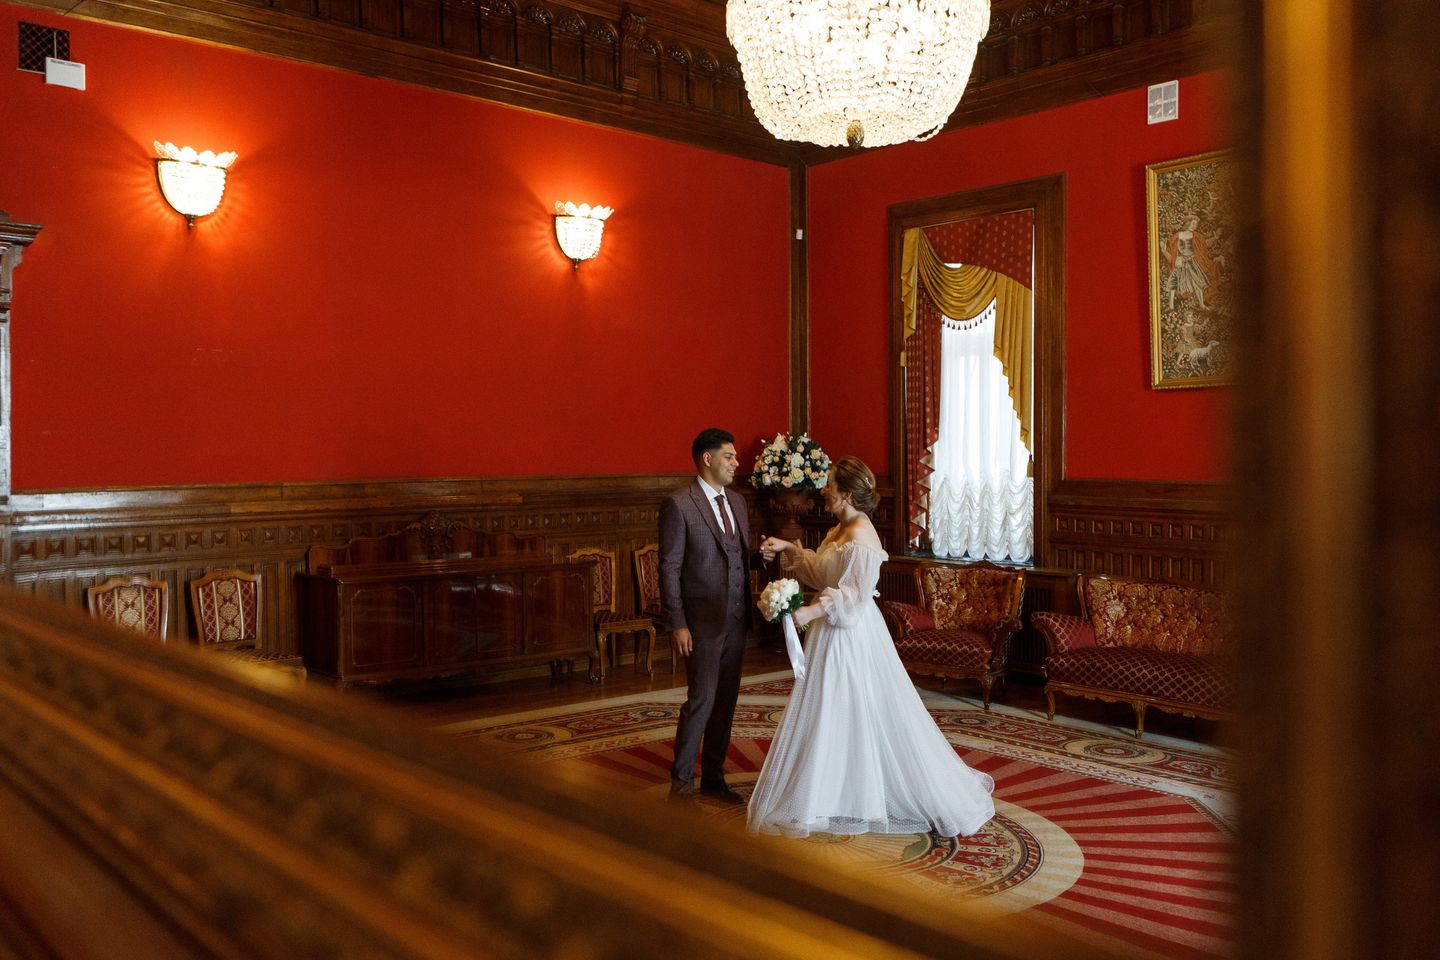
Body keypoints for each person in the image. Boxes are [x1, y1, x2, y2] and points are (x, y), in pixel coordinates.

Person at [749, 455, 995, 838]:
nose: (823, 490)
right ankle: (829, 791)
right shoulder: (840, 528)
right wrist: (788, 548)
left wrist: (809, 612)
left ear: (846, 494)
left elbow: (855, 596)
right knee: (829, 709)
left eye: (830, 484)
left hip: (850, 635)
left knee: (852, 707)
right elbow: (821, 573)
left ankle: (862, 794)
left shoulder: (862, 536)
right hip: (828, 633)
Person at [659, 428, 752, 804]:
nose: (736, 462)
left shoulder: (738, 503)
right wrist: (678, 622)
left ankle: (714, 778)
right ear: (707, 459)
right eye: (729, 456)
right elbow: (669, 568)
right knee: (701, 700)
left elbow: (738, 558)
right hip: (700, 624)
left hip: (737, 620)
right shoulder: (679, 504)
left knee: (726, 702)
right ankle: (681, 786)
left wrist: (761, 557)